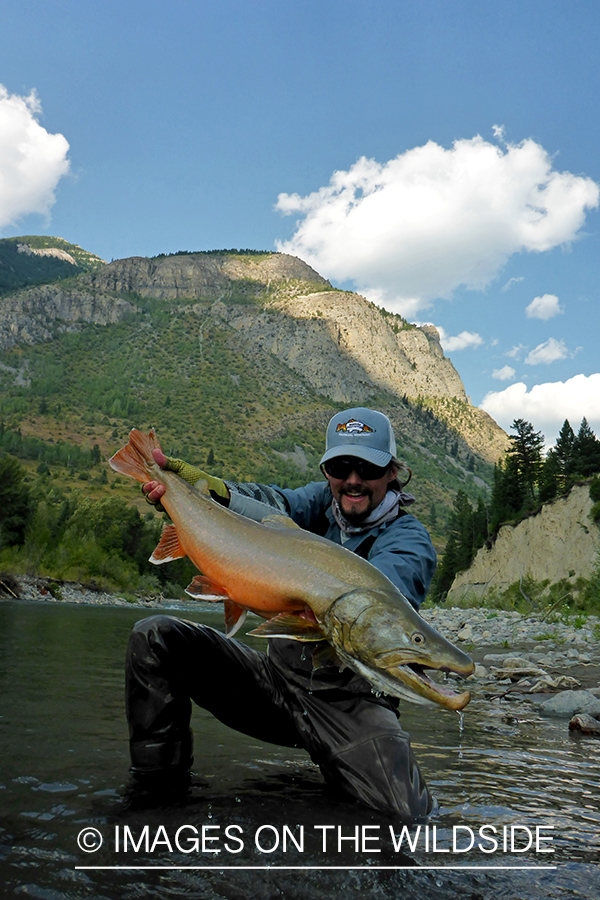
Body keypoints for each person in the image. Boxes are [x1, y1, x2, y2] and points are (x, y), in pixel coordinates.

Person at [126, 407, 438, 819]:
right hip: (274, 689)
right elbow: (266, 503)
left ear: (393, 474)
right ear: (327, 471)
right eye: (341, 467)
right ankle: (155, 804)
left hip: (349, 707)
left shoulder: (410, 540)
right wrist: (195, 493)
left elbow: (376, 607)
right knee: (155, 638)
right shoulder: (317, 503)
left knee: (408, 817)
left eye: (368, 468)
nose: (353, 480)